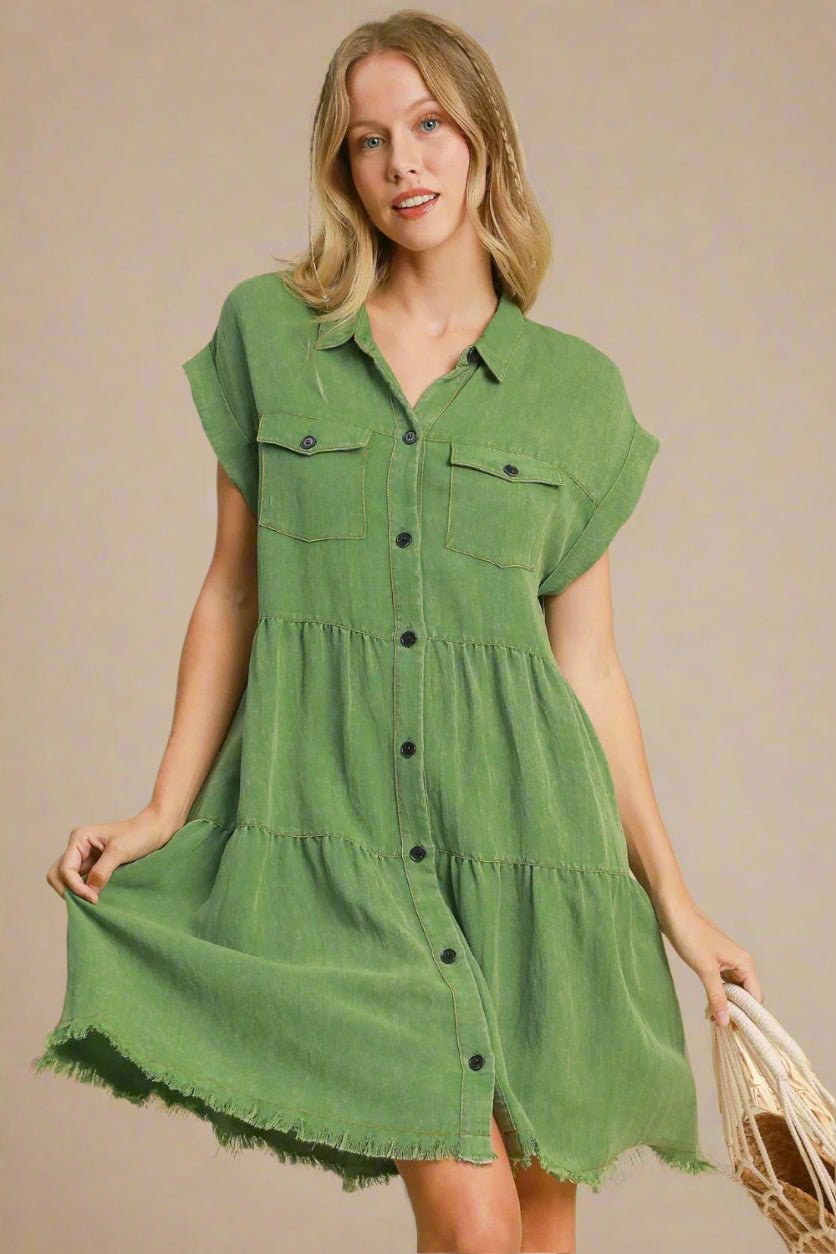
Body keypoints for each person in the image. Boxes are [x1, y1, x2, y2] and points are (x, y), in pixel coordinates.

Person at [34, 11, 763, 1254]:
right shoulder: (273, 336)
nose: (401, 162)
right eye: (367, 140)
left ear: (484, 144)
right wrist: (163, 808)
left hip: (532, 852)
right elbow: (232, 591)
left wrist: (676, 905)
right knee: (476, 1227)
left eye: (428, 125)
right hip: (343, 837)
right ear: (342, 167)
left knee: (535, 1232)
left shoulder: (576, 393)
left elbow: (586, 668)